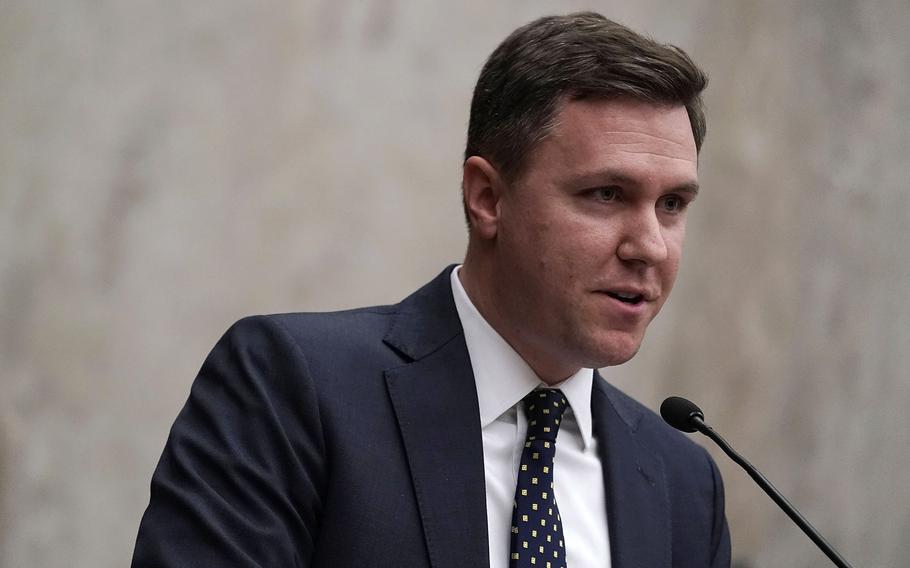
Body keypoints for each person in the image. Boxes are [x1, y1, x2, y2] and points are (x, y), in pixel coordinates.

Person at [133, 11, 731, 568]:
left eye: (672, 204)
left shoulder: (684, 483)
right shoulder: (293, 389)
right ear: (488, 198)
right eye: (606, 194)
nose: (649, 246)